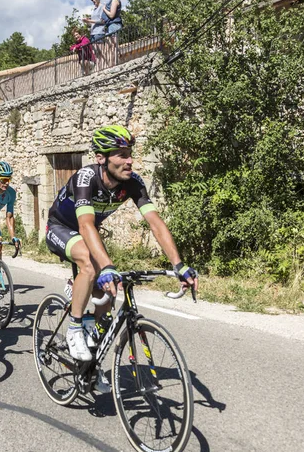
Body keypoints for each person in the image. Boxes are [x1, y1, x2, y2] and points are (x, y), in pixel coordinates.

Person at [45, 125, 198, 393]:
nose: (129, 161)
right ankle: (74, 327)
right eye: (121, 154)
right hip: (61, 227)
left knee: (109, 291)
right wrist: (106, 266)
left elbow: (156, 224)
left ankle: (91, 361)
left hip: (88, 232)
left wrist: (179, 265)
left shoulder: (133, 183)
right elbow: (86, 226)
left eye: (130, 154)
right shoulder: (86, 178)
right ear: (102, 157)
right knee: (91, 266)